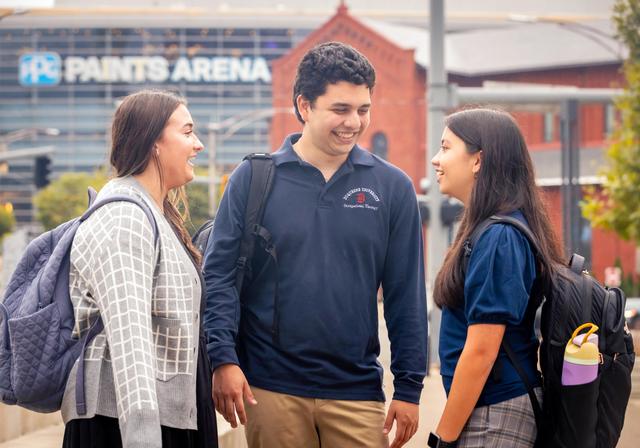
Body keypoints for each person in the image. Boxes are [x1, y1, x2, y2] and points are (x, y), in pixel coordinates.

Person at [203, 42, 428, 448]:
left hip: (357, 390)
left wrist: (410, 387)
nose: (354, 123)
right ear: (304, 106)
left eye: (363, 110)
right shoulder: (253, 179)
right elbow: (218, 277)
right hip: (270, 387)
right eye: (340, 110)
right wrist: (223, 358)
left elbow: (405, 294)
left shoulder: (393, 188)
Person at [61, 90, 218, 448]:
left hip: (169, 417)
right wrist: (144, 437)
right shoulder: (125, 217)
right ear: (154, 144)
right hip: (127, 424)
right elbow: (129, 340)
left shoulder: (156, 214)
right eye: (188, 131)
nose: (199, 145)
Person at [428, 108, 564, 447]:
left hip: (496, 415)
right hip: (492, 411)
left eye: (446, 148)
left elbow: (481, 350)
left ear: (478, 160)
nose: (435, 159)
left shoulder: (499, 237)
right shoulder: (492, 230)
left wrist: (443, 436)